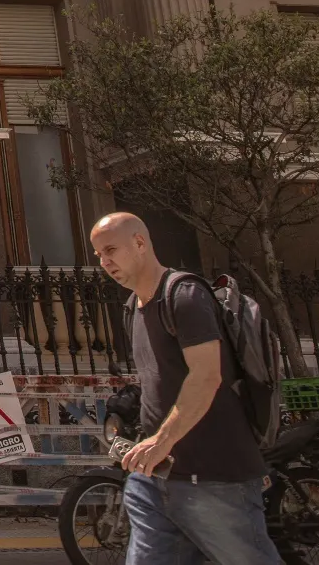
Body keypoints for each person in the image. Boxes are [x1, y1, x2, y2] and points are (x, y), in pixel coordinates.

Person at [88, 212, 277, 565]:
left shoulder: (184, 295)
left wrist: (160, 441)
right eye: (98, 254)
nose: (104, 261)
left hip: (213, 477)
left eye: (110, 249)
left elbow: (206, 376)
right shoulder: (134, 308)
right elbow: (164, 378)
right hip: (155, 478)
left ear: (140, 243)